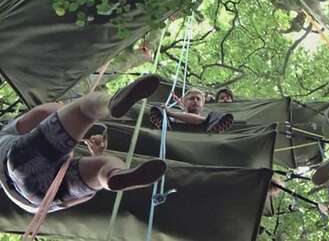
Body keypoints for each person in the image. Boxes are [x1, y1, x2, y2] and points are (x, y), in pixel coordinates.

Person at [0, 75, 167, 213]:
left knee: (104, 165)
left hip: (39, 200)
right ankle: (109, 104)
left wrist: (95, 153)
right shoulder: (3, 134)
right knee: (84, 108)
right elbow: (45, 111)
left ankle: (111, 176)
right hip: (19, 163)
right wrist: (66, 113)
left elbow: (77, 198)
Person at [150, 88, 233, 133]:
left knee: (215, 115)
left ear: (202, 105)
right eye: (192, 98)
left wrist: (170, 113)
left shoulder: (211, 117)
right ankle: (163, 124)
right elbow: (185, 113)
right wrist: (166, 112)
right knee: (159, 108)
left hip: (203, 128)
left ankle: (215, 127)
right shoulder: (177, 115)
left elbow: (191, 117)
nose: (195, 101)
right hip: (175, 127)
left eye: (198, 99)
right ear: (184, 102)